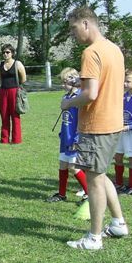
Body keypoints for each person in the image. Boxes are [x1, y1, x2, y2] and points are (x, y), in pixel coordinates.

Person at [62, 6, 127, 251]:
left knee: (94, 179)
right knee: (99, 174)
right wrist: (80, 81)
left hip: (96, 125)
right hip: (113, 123)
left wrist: (68, 102)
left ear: (87, 24)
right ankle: (119, 222)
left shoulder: (91, 52)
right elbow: (104, 80)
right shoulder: (113, 49)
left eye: (74, 28)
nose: (73, 34)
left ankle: (94, 237)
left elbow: (90, 94)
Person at [47, 67, 88, 203]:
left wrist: (77, 139)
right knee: (63, 165)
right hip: (65, 137)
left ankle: (89, 193)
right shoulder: (66, 97)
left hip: (75, 138)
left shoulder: (80, 98)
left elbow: (82, 121)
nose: (63, 85)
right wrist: (62, 133)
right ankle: (62, 194)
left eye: (66, 82)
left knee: (73, 168)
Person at [0, 43, 26, 144]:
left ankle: (16, 139)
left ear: (12, 53)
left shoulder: (18, 64)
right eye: (3, 52)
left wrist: (16, 87)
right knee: (4, 115)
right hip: (3, 91)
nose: (5, 54)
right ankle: (4, 139)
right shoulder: (0, 65)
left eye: (7, 52)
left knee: (15, 115)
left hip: (14, 91)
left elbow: (24, 78)